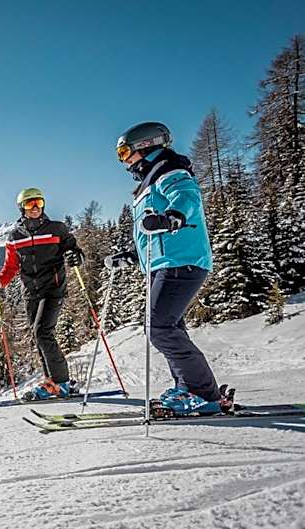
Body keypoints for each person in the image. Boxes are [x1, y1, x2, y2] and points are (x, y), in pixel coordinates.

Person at [107, 121, 231, 415]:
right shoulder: (149, 180)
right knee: (169, 327)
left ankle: (203, 393)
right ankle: (189, 389)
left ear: (145, 146)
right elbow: (152, 231)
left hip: (181, 260)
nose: (123, 161)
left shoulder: (168, 169)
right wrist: (132, 255)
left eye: (125, 153)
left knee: (159, 327)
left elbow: (187, 196)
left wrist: (173, 216)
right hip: (164, 261)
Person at [0, 188, 84, 400]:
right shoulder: (15, 236)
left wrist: (75, 258)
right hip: (30, 292)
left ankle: (61, 383)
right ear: (21, 208)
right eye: (29, 204)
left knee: (43, 332)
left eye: (38, 203)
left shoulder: (56, 229)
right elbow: (11, 267)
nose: (35, 208)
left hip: (53, 288)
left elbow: (75, 251)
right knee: (37, 335)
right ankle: (51, 381)